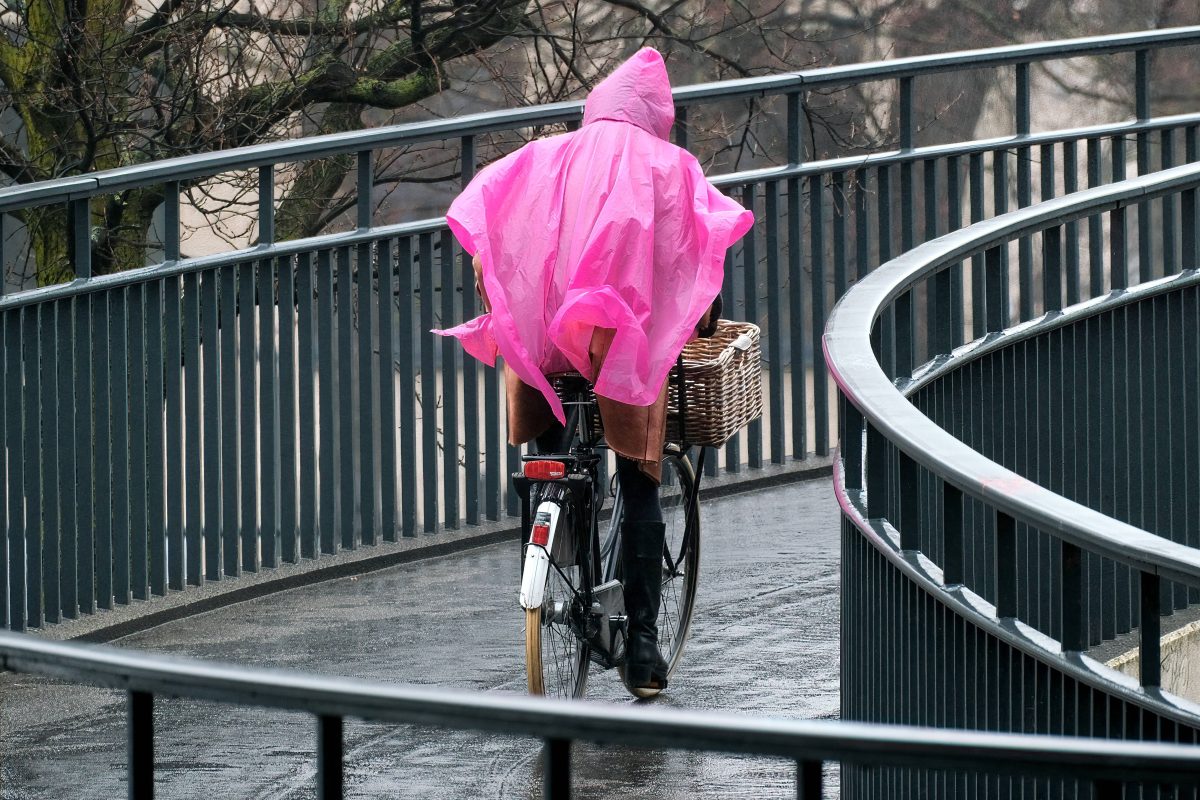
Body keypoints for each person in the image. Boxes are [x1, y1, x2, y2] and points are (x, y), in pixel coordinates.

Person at [435, 47, 753, 696]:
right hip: (614, 349)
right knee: (638, 475)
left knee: (552, 450)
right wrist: (694, 324)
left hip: (542, 345)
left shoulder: (545, 157)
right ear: (655, 115)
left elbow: (496, 233)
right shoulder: (670, 168)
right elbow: (693, 264)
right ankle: (641, 646)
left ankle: (558, 531)